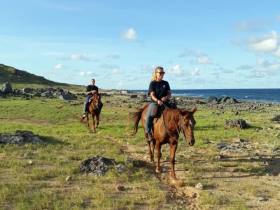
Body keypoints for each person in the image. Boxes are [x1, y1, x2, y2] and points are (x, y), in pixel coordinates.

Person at [146, 66, 171, 141]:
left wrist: (166, 98)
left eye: (163, 73)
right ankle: (148, 132)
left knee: (175, 111)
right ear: (156, 74)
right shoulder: (152, 83)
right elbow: (152, 95)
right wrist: (157, 101)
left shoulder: (166, 83)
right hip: (155, 103)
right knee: (150, 115)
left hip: (165, 102)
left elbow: (169, 93)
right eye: (160, 73)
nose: (162, 74)